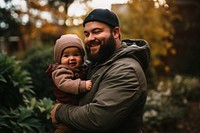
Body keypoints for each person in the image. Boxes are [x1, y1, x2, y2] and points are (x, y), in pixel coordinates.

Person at [50, 8, 150, 133]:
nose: (90, 38)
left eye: (96, 32)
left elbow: (97, 118)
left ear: (115, 33)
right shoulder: (100, 61)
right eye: (87, 34)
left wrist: (60, 111)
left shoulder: (126, 70)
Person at [46, 34, 92, 133]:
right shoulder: (60, 71)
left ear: (82, 57)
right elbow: (64, 83)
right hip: (65, 106)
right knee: (64, 130)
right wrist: (82, 85)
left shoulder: (83, 67)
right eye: (66, 55)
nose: (72, 58)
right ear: (59, 59)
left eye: (76, 54)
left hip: (76, 109)